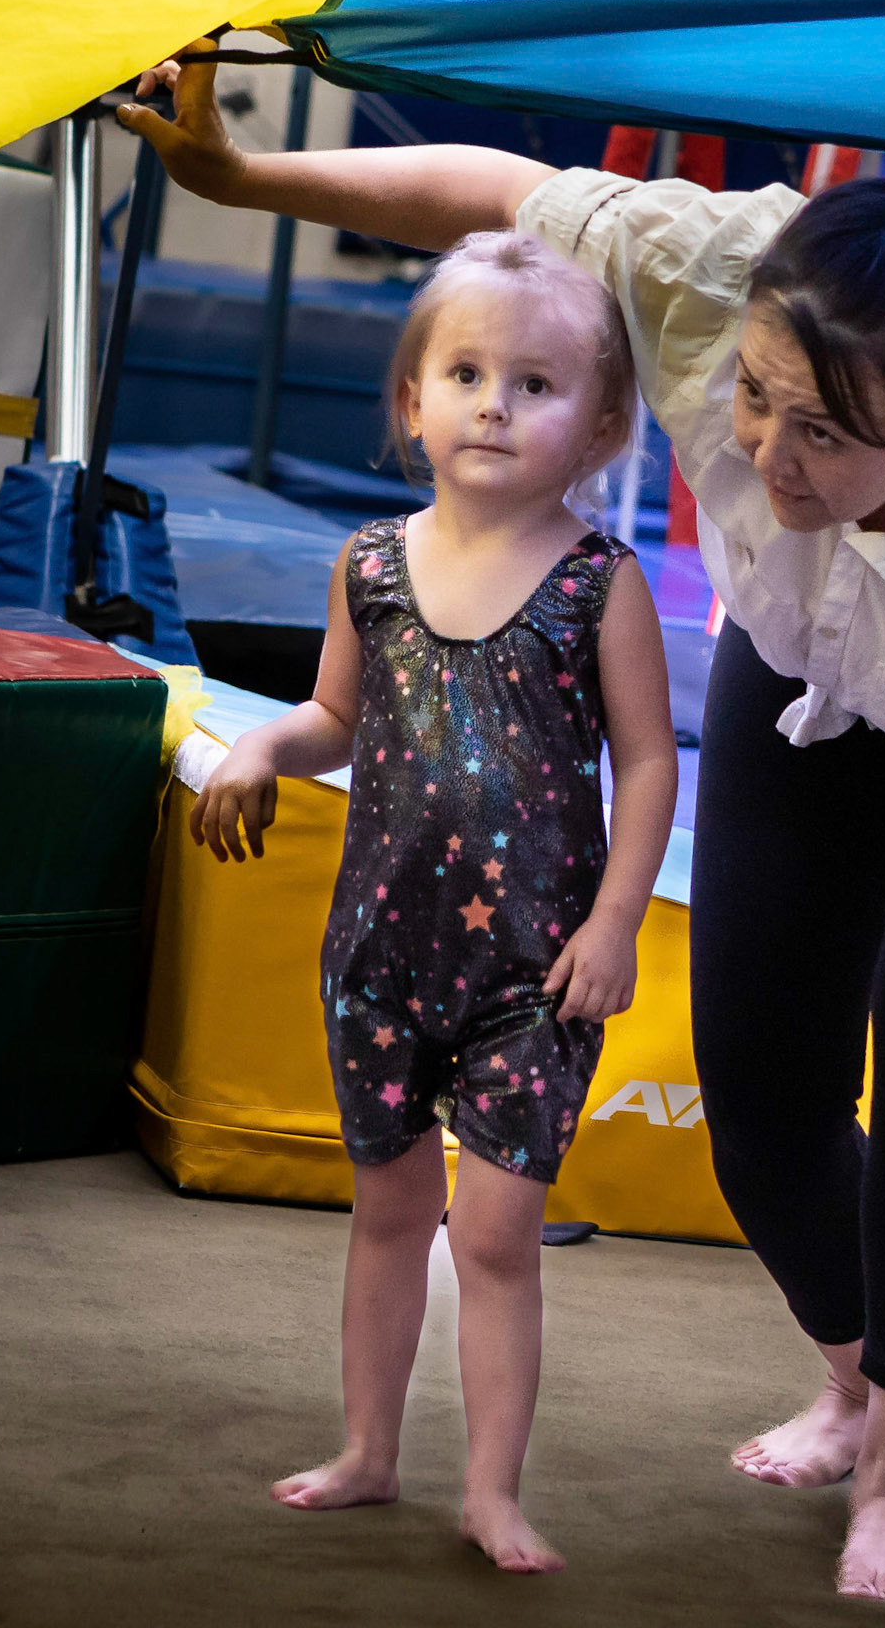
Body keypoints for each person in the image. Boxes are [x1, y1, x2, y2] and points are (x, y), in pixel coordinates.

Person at [122, 51, 885, 1604]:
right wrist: (247, 179)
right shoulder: (715, 269)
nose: (765, 458)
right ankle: (856, 1373)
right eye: (755, 399)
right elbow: (488, 197)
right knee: (755, 1079)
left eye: (824, 438)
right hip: (817, 662)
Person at [182, 215, 678, 1575]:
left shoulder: (598, 585)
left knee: (501, 1232)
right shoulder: (369, 565)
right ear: (411, 399)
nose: (495, 407)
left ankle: (492, 1489)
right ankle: (367, 1448)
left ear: (598, 425)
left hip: (535, 969)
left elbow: (644, 761)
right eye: (465, 375)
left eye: (535, 385)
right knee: (389, 1209)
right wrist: (262, 744)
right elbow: (336, 718)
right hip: (380, 955)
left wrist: (617, 919)